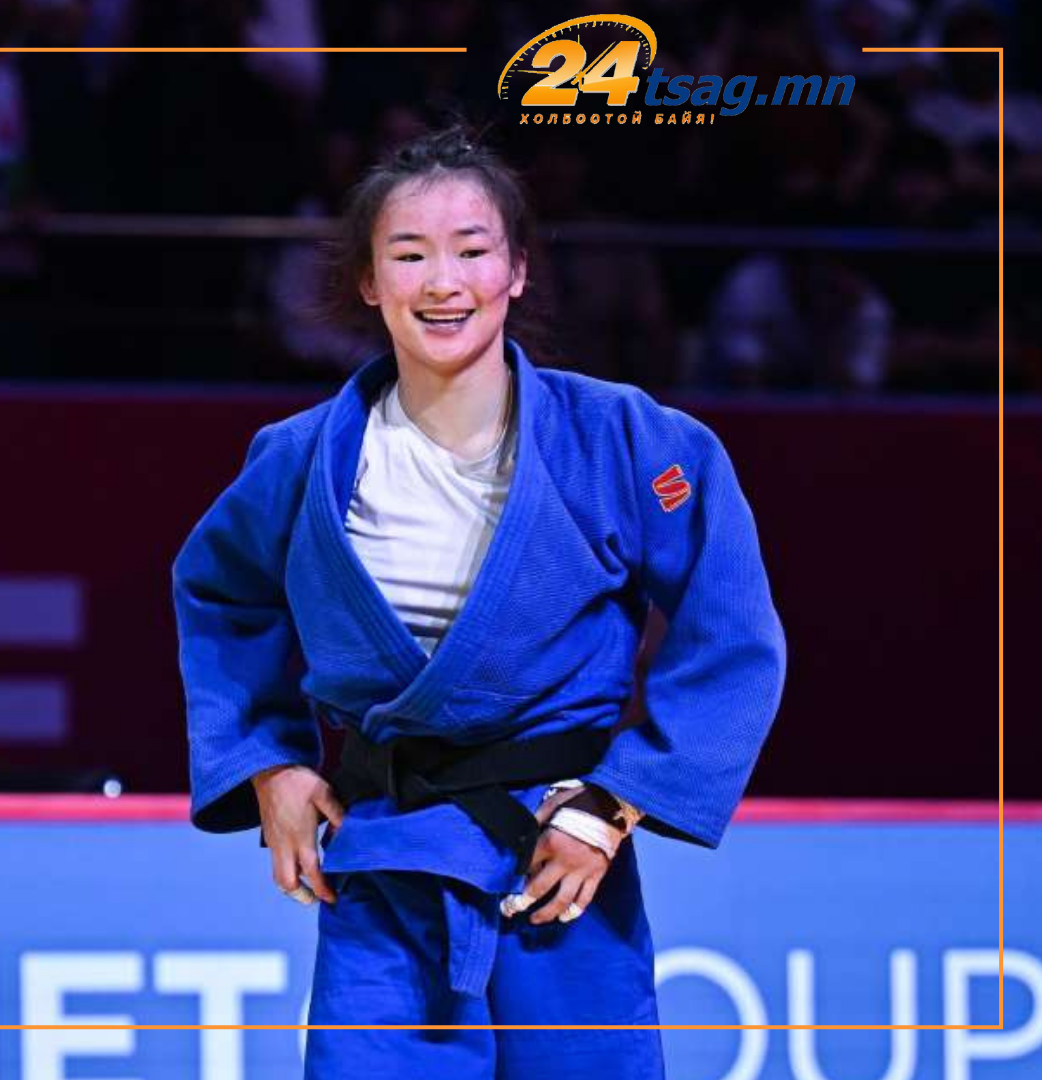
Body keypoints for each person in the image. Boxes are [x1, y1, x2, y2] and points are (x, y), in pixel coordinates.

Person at [173, 127, 785, 1078]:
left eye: (471, 250)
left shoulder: (625, 439)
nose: (443, 282)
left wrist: (618, 800)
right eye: (408, 254)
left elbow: (731, 630)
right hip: (384, 862)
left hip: (559, 856)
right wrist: (268, 763)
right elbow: (220, 594)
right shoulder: (300, 459)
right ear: (369, 281)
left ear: (518, 271)